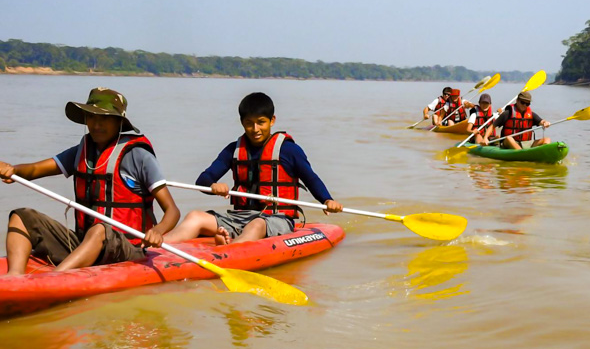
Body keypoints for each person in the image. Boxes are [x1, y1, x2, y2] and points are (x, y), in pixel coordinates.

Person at [0, 87, 180, 275]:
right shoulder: (82, 152)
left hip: (128, 249)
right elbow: (35, 170)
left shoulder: (138, 155)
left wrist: (158, 231)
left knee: (99, 230)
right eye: (92, 117)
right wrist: (13, 170)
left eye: (104, 118)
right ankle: (14, 278)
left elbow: (173, 211)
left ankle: (55, 279)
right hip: (85, 242)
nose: (96, 125)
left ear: (119, 122)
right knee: (21, 217)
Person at [164, 92, 342, 246]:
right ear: (242, 122)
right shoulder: (233, 149)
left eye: (261, 122)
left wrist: (327, 200)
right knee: (195, 216)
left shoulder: (289, 150)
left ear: (272, 121)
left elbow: (311, 178)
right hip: (239, 217)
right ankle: (156, 247)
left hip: (276, 219)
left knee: (256, 225)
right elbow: (203, 179)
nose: (255, 129)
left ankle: (229, 249)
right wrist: (213, 186)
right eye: (249, 123)